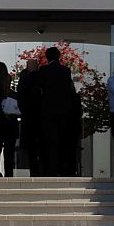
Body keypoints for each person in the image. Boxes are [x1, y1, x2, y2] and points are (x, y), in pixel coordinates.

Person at [30, 46, 79, 176]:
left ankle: (51, 168)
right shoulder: (65, 70)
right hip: (64, 110)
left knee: (50, 140)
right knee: (63, 139)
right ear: (59, 57)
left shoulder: (44, 70)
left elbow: (37, 89)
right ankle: (63, 167)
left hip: (48, 110)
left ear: (47, 57)